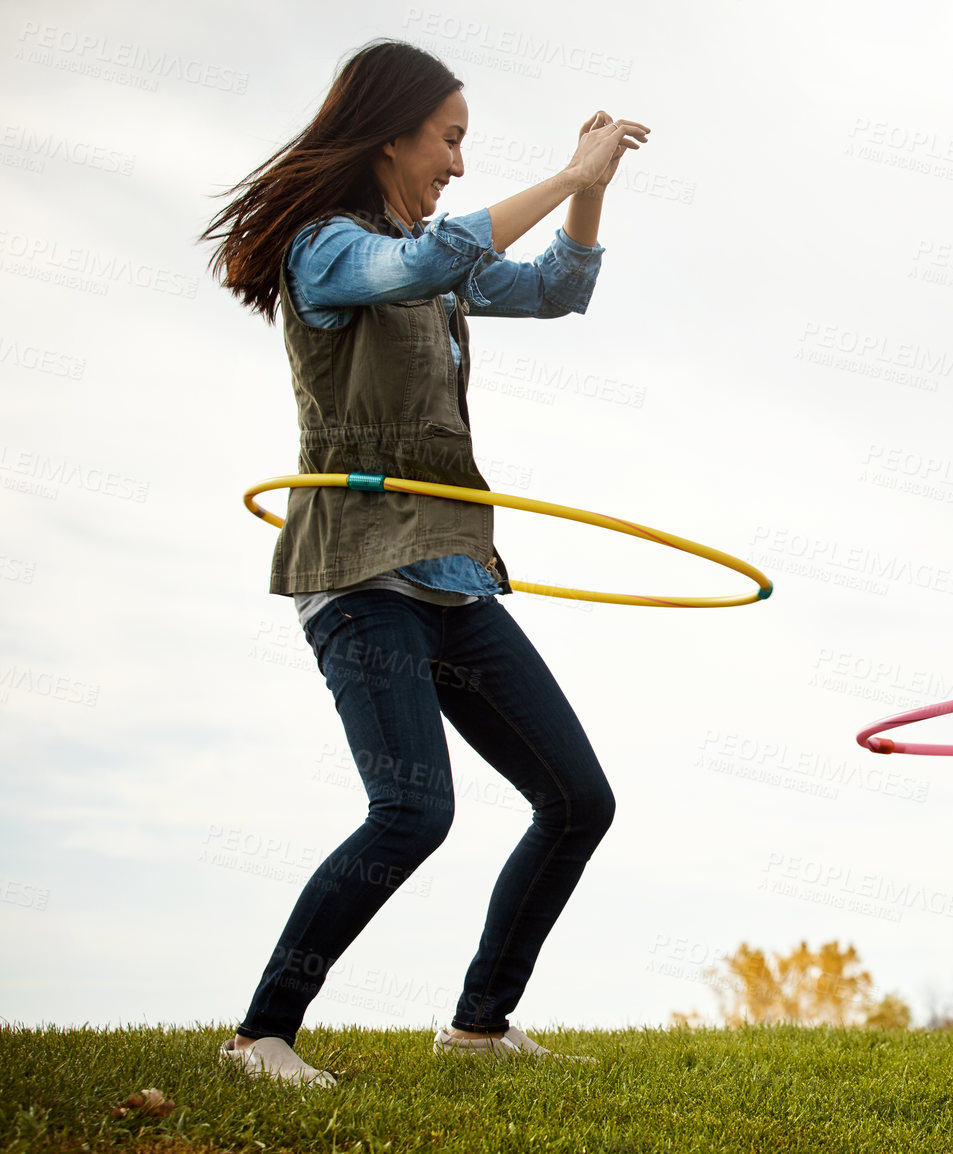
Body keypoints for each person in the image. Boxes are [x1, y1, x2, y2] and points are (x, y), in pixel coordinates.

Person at [200, 39, 649, 1086]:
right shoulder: (327, 251)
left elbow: (555, 291)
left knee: (579, 799)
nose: (456, 161)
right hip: (358, 576)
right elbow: (421, 260)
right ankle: (260, 1035)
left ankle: (479, 1026)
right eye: (447, 140)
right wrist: (564, 175)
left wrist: (591, 194)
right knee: (412, 810)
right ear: (390, 134)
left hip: (447, 570)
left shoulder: (433, 261)